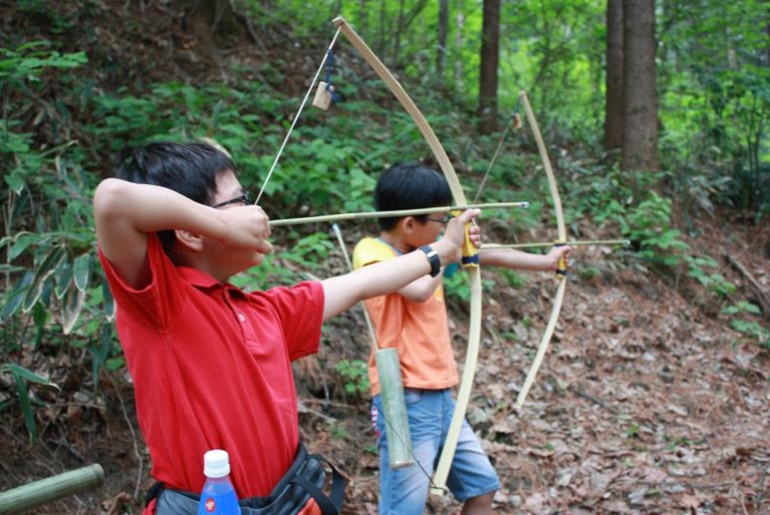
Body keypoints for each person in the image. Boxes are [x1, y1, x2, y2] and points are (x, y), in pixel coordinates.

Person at [92, 141, 481, 515]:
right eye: (241, 202)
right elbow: (113, 200)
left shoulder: (264, 311)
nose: (257, 213)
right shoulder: (161, 305)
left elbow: (360, 283)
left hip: (290, 500)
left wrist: (440, 252)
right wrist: (223, 226)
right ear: (190, 231)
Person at [352, 162, 571, 515]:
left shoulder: (427, 253)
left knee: (482, 487)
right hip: (404, 395)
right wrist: (448, 246)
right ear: (410, 224)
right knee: (403, 510)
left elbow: (491, 254)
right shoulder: (373, 253)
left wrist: (546, 262)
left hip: (440, 396)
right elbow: (420, 288)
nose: (444, 227)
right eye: (440, 220)